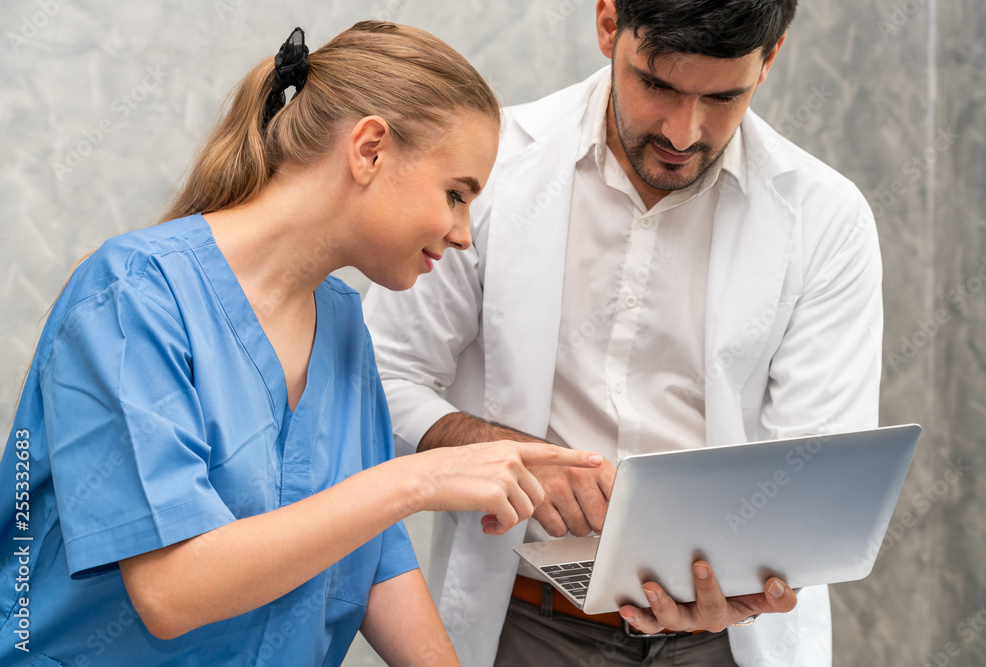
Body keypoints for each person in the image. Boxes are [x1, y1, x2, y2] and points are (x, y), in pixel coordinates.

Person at [0, 21, 604, 666]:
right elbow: (173, 591)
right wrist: (420, 478)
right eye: (456, 195)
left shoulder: (340, 320)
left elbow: (374, 556)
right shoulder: (132, 296)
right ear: (370, 149)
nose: (463, 235)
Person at [362, 0, 883, 665]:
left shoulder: (825, 219)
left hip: (727, 640)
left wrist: (759, 566)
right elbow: (386, 376)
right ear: (608, 23)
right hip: (525, 625)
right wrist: (504, 455)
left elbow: (819, 467)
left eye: (723, 96)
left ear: (770, 57)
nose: (683, 131)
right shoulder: (491, 173)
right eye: (658, 84)